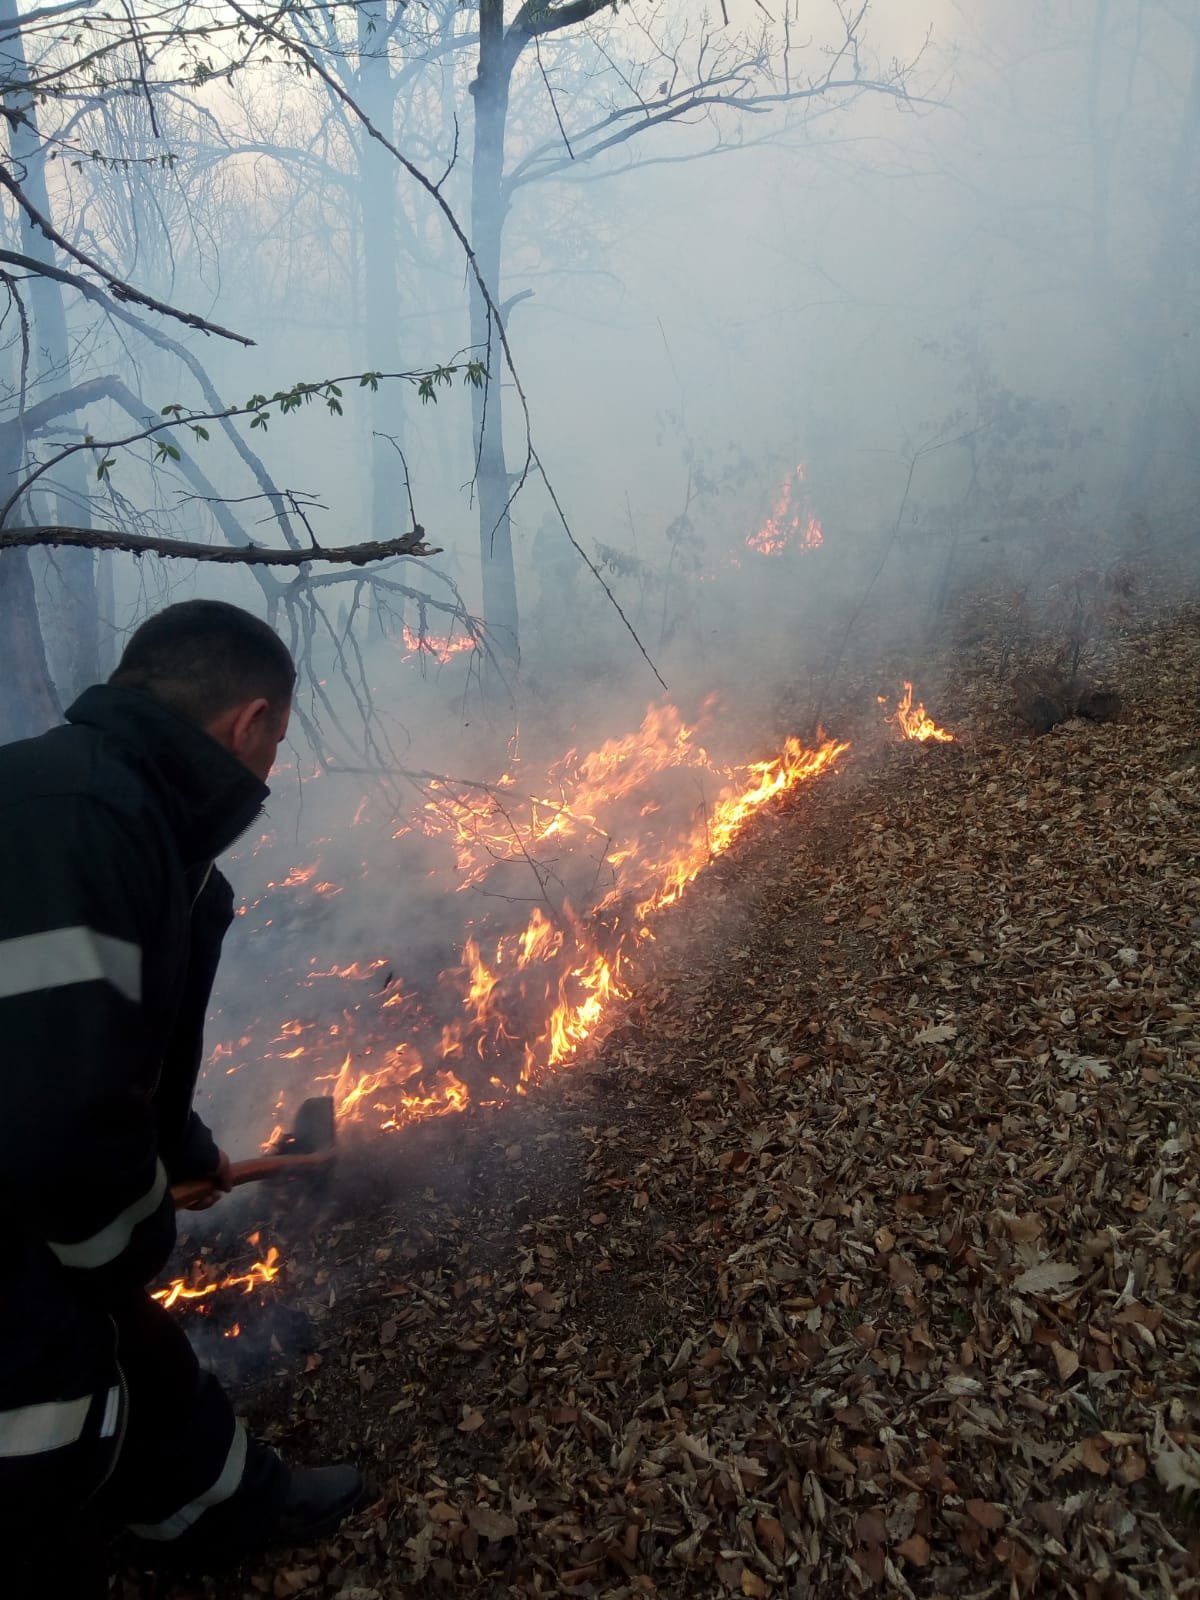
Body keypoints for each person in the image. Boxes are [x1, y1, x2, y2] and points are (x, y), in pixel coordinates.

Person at [0, 599, 365, 1591]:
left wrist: (182, 1153)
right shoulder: (79, 824)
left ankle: (216, 1505)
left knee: (130, 1333)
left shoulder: (128, 820)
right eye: (277, 745)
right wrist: (133, 1233)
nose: (271, 772)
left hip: (29, 1186)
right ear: (250, 723)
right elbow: (58, 1122)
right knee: (46, 1382)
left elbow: (117, 1053)